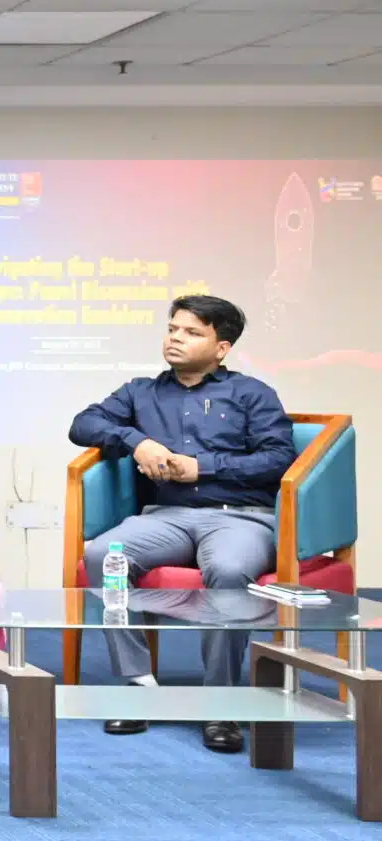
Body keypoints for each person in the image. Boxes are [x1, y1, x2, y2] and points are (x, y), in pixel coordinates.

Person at [68, 294, 295, 754]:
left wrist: (203, 468)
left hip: (239, 518)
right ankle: (137, 685)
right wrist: (137, 441)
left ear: (222, 347)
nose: (175, 338)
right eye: (172, 329)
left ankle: (220, 702)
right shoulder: (140, 392)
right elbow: (83, 425)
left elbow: (278, 458)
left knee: (228, 570)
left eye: (191, 332)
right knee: (103, 555)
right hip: (167, 516)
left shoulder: (252, 394)